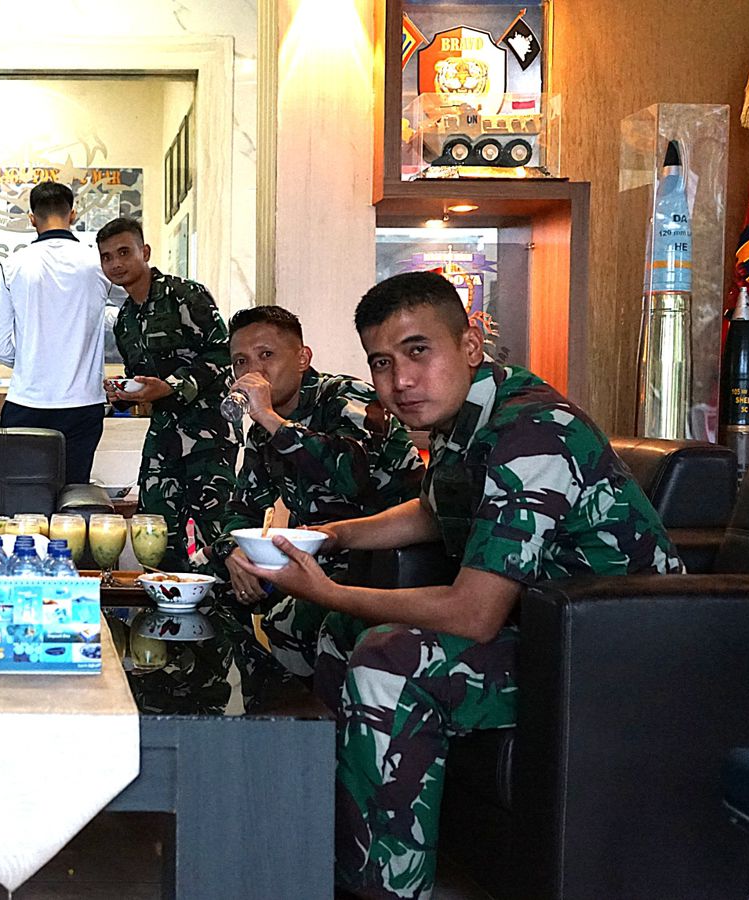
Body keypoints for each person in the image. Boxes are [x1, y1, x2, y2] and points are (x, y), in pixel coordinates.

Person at [237, 271, 683, 900]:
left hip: (617, 655)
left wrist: (325, 588)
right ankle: (341, 849)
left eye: (418, 351)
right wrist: (332, 536)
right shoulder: (468, 416)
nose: (400, 381)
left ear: (470, 345)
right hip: (544, 633)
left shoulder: (531, 431)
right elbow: (431, 510)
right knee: (340, 632)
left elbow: (474, 613)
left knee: (390, 662)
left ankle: (388, 889)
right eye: (382, 362)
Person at [216, 305, 423, 678]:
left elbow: (350, 477)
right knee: (208, 585)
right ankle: (250, 694)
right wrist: (233, 552)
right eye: (241, 362)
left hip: (384, 557)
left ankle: (310, 706)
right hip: (313, 554)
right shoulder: (263, 430)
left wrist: (271, 420)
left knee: (293, 619)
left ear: (302, 358)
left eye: (266, 355)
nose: (253, 372)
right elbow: (242, 508)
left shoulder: (347, 396)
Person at [97, 216, 234, 570]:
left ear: (145, 252)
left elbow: (223, 353)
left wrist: (173, 386)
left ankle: (220, 605)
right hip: (164, 433)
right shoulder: (124, 320)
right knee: (154, 528)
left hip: (207, 433)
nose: (116, 264)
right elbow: (141, 378)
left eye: (124, 252)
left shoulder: (185, 294)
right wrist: (124, 393)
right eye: (107, 257)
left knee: (213, 532)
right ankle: (164, 597)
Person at [0, 181, 114, 484]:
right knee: (73, 494)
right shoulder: (98, 264)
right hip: (83, 403)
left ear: (32, 219)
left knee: (23, 496)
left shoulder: (11, 266)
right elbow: (127, 311)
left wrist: (31, 362)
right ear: (73, 214)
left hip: (26, 403)